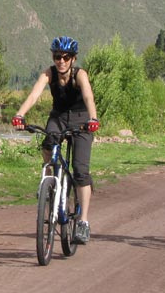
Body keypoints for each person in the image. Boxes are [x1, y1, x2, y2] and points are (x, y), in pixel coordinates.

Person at [11, 36, 100, 244]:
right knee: (48, 144)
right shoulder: (48, 73)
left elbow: (88, 97)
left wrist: (93, 118)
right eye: (57, 56)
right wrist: (20, 114)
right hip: (58, 117)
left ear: (73, 59)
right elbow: (34, 95)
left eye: (66, 57)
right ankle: (48, 182)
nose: (61, 60)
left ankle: (83, 222)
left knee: (80, 171)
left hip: (81, 119)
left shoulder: (80, 75)